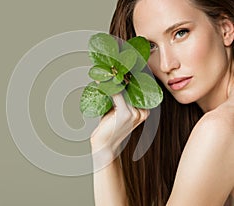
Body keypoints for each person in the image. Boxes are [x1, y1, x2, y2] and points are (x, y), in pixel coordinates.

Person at [90, 0, 234, 205]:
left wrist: (102, 152)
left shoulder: (219, 129)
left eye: (180, 33)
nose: (167, 64)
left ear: (226, 28)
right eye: (150, 47)